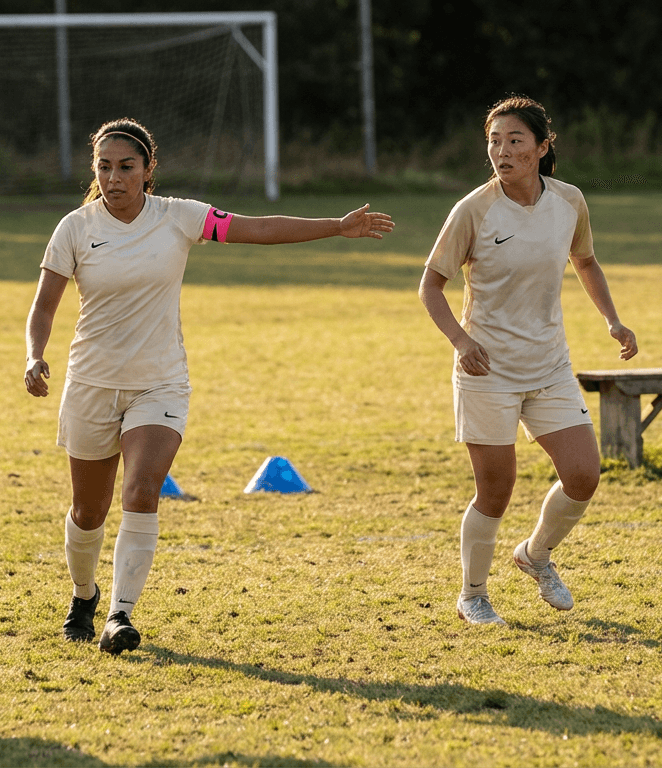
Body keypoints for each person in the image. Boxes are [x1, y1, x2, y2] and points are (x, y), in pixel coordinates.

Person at [25, 117, 394, 655]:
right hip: (91, 383)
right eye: (104, 167)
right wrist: (35, 356)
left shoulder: (180, 217)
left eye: (126, 167)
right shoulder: (74, 229)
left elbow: (257, 228)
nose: (114, 177)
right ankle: (84, 594)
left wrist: (336, 226)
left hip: (160, 384)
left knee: (142, 490)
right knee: (88, 511)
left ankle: (119, 614)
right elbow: (44, 305)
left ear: (149, 170)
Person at [418, 96, 638, 626]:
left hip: (549, 366)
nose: (501, 151)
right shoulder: (474, 208)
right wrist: (460, 342)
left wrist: (612, 318)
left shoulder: (569, 201)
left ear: (542, 148)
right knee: (496, 490)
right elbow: (430, 286)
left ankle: (534, 555)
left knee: (584, 475)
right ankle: (473, 594)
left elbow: (584, 261)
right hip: (486, 370)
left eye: (514, 140)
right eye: (494, 140)